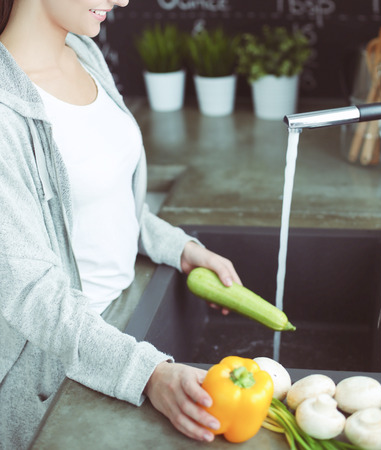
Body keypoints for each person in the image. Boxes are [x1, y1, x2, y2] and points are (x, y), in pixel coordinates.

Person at [0, 1, 242, 448]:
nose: (123, 0)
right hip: (55, 367)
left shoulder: (82, 51)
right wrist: (147, 373)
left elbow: (103, 196)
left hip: (124, 317)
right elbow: (29, 289)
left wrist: (177, 247)